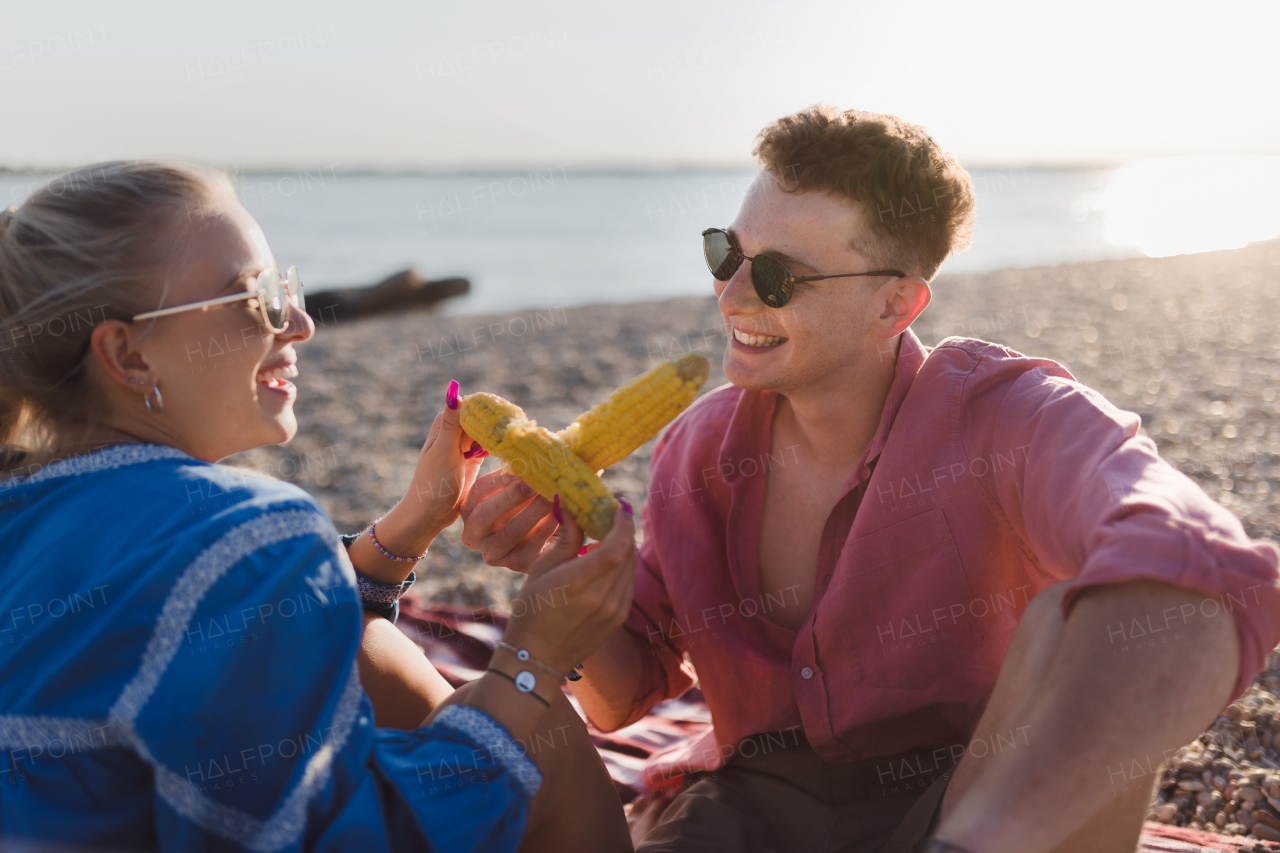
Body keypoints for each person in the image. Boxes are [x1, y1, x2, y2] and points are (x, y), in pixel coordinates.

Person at [457, 106, 1280, 852]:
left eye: (779, 276)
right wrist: (559, 571)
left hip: (964, 800)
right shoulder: (698, 449)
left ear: (896, 306)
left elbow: (1198, 562)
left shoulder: (1010, 417)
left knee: (1090, 608)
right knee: (489, 718)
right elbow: (623, 690)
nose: (732, 293)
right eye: (726, 252)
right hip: (747, 810)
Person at [0, 160, 634, 852]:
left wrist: (409, 526)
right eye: (257, 298)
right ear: (127, 354)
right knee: (545, 732)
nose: (300, 322)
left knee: (368, 643)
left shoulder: (32, 502)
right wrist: (533, 658)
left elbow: (213, 627)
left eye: (288, 287)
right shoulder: (246, 529)